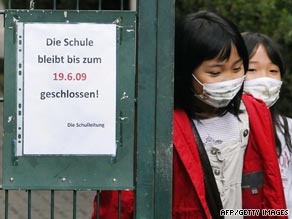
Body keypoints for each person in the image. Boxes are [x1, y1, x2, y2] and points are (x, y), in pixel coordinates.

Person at [92, 11, 287, 219]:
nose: (230, 79)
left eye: (237, 68)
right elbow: (121, 202)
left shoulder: (255, 113)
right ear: (184, 72)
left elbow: (272, 189)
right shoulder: (157, 124)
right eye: (215, 72)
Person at [242, 32, 292, 218]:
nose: (265, 79)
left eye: (273, 71)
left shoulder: (288, 130)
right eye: (253, 70)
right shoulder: (223, 130)